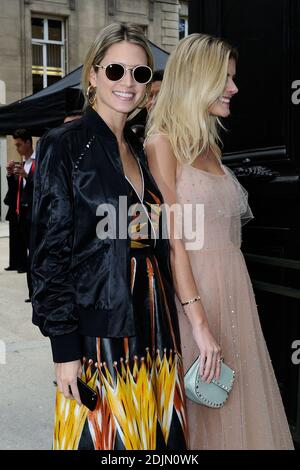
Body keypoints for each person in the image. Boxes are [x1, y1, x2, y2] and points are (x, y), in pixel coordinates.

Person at [31, 23, 189, 451]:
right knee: (104, 439)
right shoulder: (63, 144)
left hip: (154, 321)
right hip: (100, 321)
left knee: (154, 441)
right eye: (116, 70)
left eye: (140, 74)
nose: (128, 83)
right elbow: (48, 255)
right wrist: (64, 349)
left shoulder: (137, 146)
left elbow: (145, 231)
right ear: (93, 74)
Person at [145, 33, 294, 449]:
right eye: (225, 78)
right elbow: (172, 242)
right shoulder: (162, 145)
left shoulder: (210, 143)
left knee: (237, 406)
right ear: (196, 80)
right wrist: (200, 324)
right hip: (195, 300)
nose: (235, 88)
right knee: (203, 407)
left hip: (234, 293)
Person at [5, 129, 35, 302]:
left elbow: (42, 186)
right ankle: (32, 292)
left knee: (34, 256)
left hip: (34, 215)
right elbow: (16, 190)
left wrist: (28, 177)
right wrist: (10, 174)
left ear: (28, 142)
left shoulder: (38, 162)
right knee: (26, 255)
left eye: (19, 145)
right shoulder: (22, 163)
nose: (17, 148)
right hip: (21, 214)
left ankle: (35, 292)